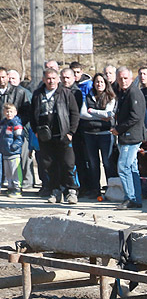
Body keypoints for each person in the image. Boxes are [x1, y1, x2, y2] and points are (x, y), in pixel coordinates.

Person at [31, 68, 80, 204]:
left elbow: (74, 114)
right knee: (49, 165)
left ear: (58, 79)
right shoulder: (37, 94)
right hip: (45, 136)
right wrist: (36, 130)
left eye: (53, 78)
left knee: (68, 164)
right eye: (48, 78)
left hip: (63, 135)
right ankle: (55, 191)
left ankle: (71, 191)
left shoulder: (65, 93)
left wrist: (71, 132)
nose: (51, 81)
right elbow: (32, 114)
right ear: (43, 79)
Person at [77, 72, 117, 199]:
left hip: (105, 135)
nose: (99, 84)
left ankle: (111, 189)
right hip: (89, 134)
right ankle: (95, 189)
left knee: (107, 162)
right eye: (97, 82)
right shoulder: (88, 96)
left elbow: (108, 114)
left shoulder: (111, 97)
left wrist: (92, 112)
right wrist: (100, 116)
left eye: (101, 82)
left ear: (106, 84)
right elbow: (82, 114)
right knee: (93, 164)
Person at [112, 67, 146, 210]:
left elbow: (135, 116)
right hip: (126, 135)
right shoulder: (124, 93)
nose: (123, 81)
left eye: (125, 78)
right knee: (131, 168)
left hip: (131, 136)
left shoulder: (134, 93)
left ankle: (130, 197)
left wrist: (118, 129)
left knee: (123, 167)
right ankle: (136, 198)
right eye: (120, 78)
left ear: (131, 78)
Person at [1, 103, 24, 196]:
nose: (9, 113)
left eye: (11, 111)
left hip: (14, 153)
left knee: (15, 171)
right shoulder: (3, 124)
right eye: (7, 111)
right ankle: (10, 187)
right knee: (8, 172)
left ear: (15, 112)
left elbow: (20, 138)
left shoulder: (16, 124)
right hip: (5, 152)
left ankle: (17, 188)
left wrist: (14, 147)